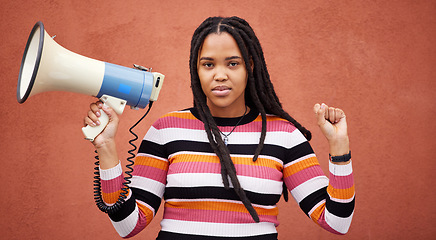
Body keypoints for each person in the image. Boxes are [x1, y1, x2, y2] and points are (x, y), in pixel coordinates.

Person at [84, 16, 354, 239]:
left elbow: (336, 221)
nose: (220, 74)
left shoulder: (283, 136)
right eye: (208, 64)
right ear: (196, 70)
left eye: (233, 63)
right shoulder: (166, 129)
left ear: (250, 67)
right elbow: (129, 225)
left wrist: (339, 146)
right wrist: (106, 147)